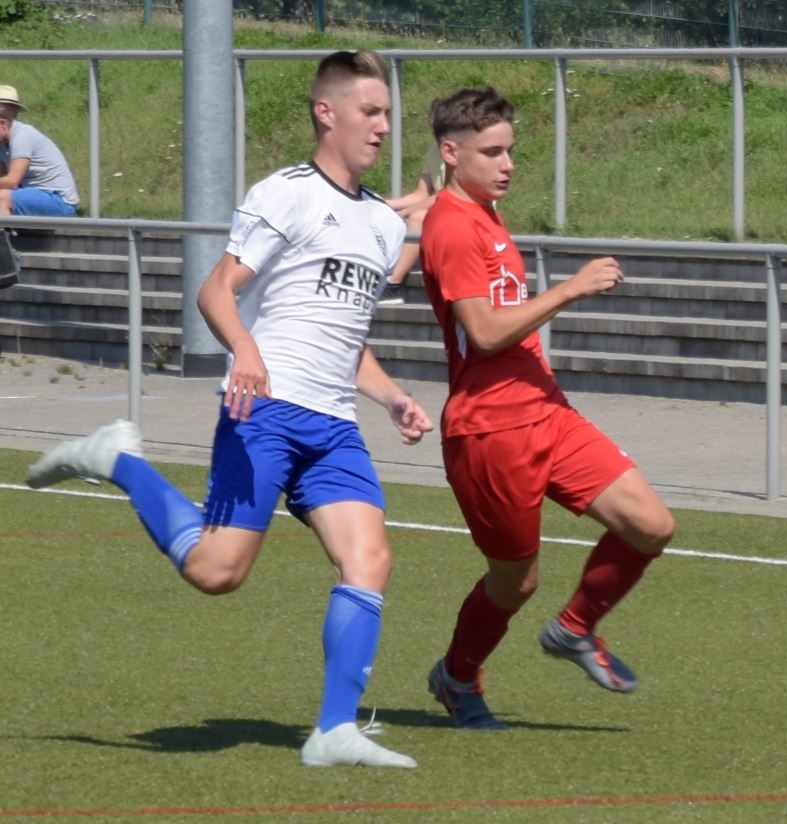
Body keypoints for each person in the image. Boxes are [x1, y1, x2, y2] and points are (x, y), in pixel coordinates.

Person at [24, 49, 433, 769]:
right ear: (326, 111)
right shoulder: (285, 194)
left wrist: (393, 396)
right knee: (217, 572)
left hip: (334, 427)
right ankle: (118, 459)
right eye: (369, 112)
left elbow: (345, 338)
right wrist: (244, 349)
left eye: (387, 115)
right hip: (265, 412)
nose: (381, 127)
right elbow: (215, 291)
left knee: (369, 558)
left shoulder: (380, 224)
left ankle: (333, 731)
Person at [419, 86, 675, 730]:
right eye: (491, 152)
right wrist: (569, 290)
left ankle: (574, 629)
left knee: (650, 525)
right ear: (451, 153)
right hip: (490, 432)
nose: (507, 164)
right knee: (516, 582)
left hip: (545, 410)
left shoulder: (482, 211)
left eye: (510, 151)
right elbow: (483, 332)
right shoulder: (452, 225)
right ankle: (457, 675)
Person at [0, 84, 80, 218]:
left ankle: (4, 231)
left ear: (2, 124)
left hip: (58, 200)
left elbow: (12, 181)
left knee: (2, 197)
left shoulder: (22, 136)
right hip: (33, 195)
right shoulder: (3, 143)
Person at [379, 142, 445, 304]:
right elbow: (421, 194)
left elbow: (446, 194)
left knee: (417, 218)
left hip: (467, 214)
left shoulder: (462, 148)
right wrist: (382, 204)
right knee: (389, 216)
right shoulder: (434, 150)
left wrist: (405, 212)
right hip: (442, 212)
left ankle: (393, 285)